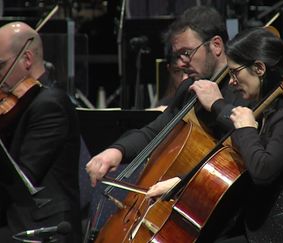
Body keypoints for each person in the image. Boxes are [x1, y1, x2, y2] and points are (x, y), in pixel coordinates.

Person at [146, 27, 283, 242]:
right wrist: (180, 184)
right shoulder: (263, 114)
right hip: (253, 233)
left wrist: (246, 129)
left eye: (235, 72)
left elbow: (262, 171)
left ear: (259, 68)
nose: (231, 81)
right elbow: (229, 171)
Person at [86, 5, 249, 187]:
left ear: (216, 45)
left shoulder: (243, 88)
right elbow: (155, 131)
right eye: (177, 56)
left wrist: (217, 104)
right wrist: (116, 151)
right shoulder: (189, 88)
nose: (180, 63)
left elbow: (244, 147)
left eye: (186, 53)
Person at [0, 22, 81, 242]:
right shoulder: (22, 102)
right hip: (12, 219)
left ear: (27, 59)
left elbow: (22, 178)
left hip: (43, 227)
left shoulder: (50, 104)